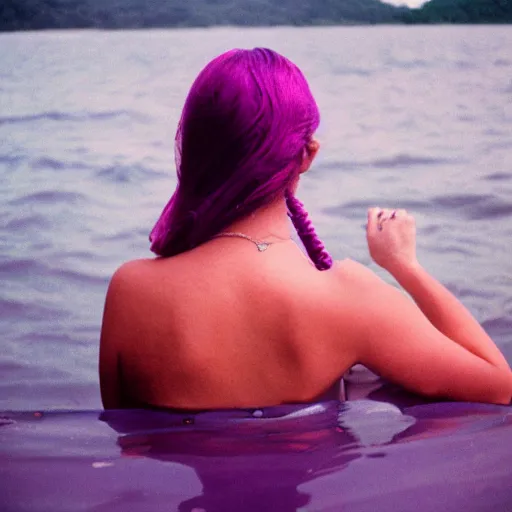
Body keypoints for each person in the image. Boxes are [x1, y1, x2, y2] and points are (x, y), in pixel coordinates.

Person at [99, 48, 512, 410]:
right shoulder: (349, 298)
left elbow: (126, 432)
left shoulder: (130, 291)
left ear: (193, 147)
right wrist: (405, 266)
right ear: (307, 154)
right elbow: (497, 386)